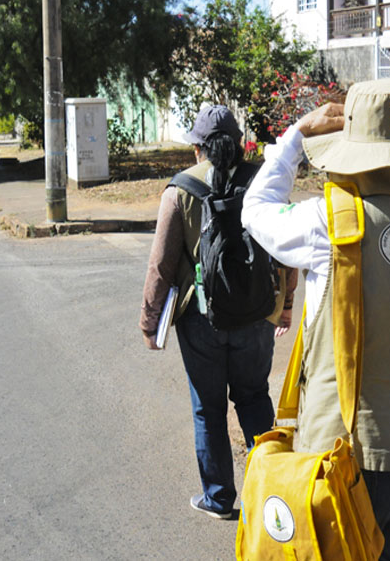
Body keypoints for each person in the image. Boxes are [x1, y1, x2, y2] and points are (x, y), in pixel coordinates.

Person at [241, 79, 390, 559]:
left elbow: (256, 211)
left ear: (350, 152)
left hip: (345, 459)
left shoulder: (326, 224)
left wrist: (294, 138)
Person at [139, 104, 297, 520]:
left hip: (201, 321)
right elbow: (285, 252)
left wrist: (150, 321)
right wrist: (286, 306)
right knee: (253, 397)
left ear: (198, 148)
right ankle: (276, 494)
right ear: (239, 142)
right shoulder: (265, 183)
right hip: (258, 313)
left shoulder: (179, 191)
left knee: (208, 408)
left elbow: (161, 265)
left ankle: (219, 498)